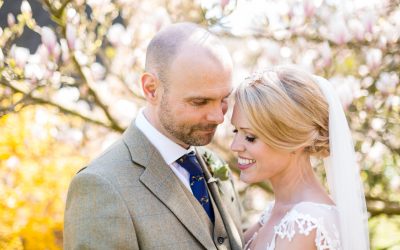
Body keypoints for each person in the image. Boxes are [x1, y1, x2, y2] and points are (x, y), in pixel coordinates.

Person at [64, 22, 243, 250]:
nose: (218, 117)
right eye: (200, 102)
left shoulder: (216, 165)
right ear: (151, 89)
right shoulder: (100, 186)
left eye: (224, 99)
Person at [230, 66, 369, 250]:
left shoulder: (304, 225)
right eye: (235, 131)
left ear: (292, 138)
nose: (234, 146)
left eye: (250, 137)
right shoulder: (274, 212)